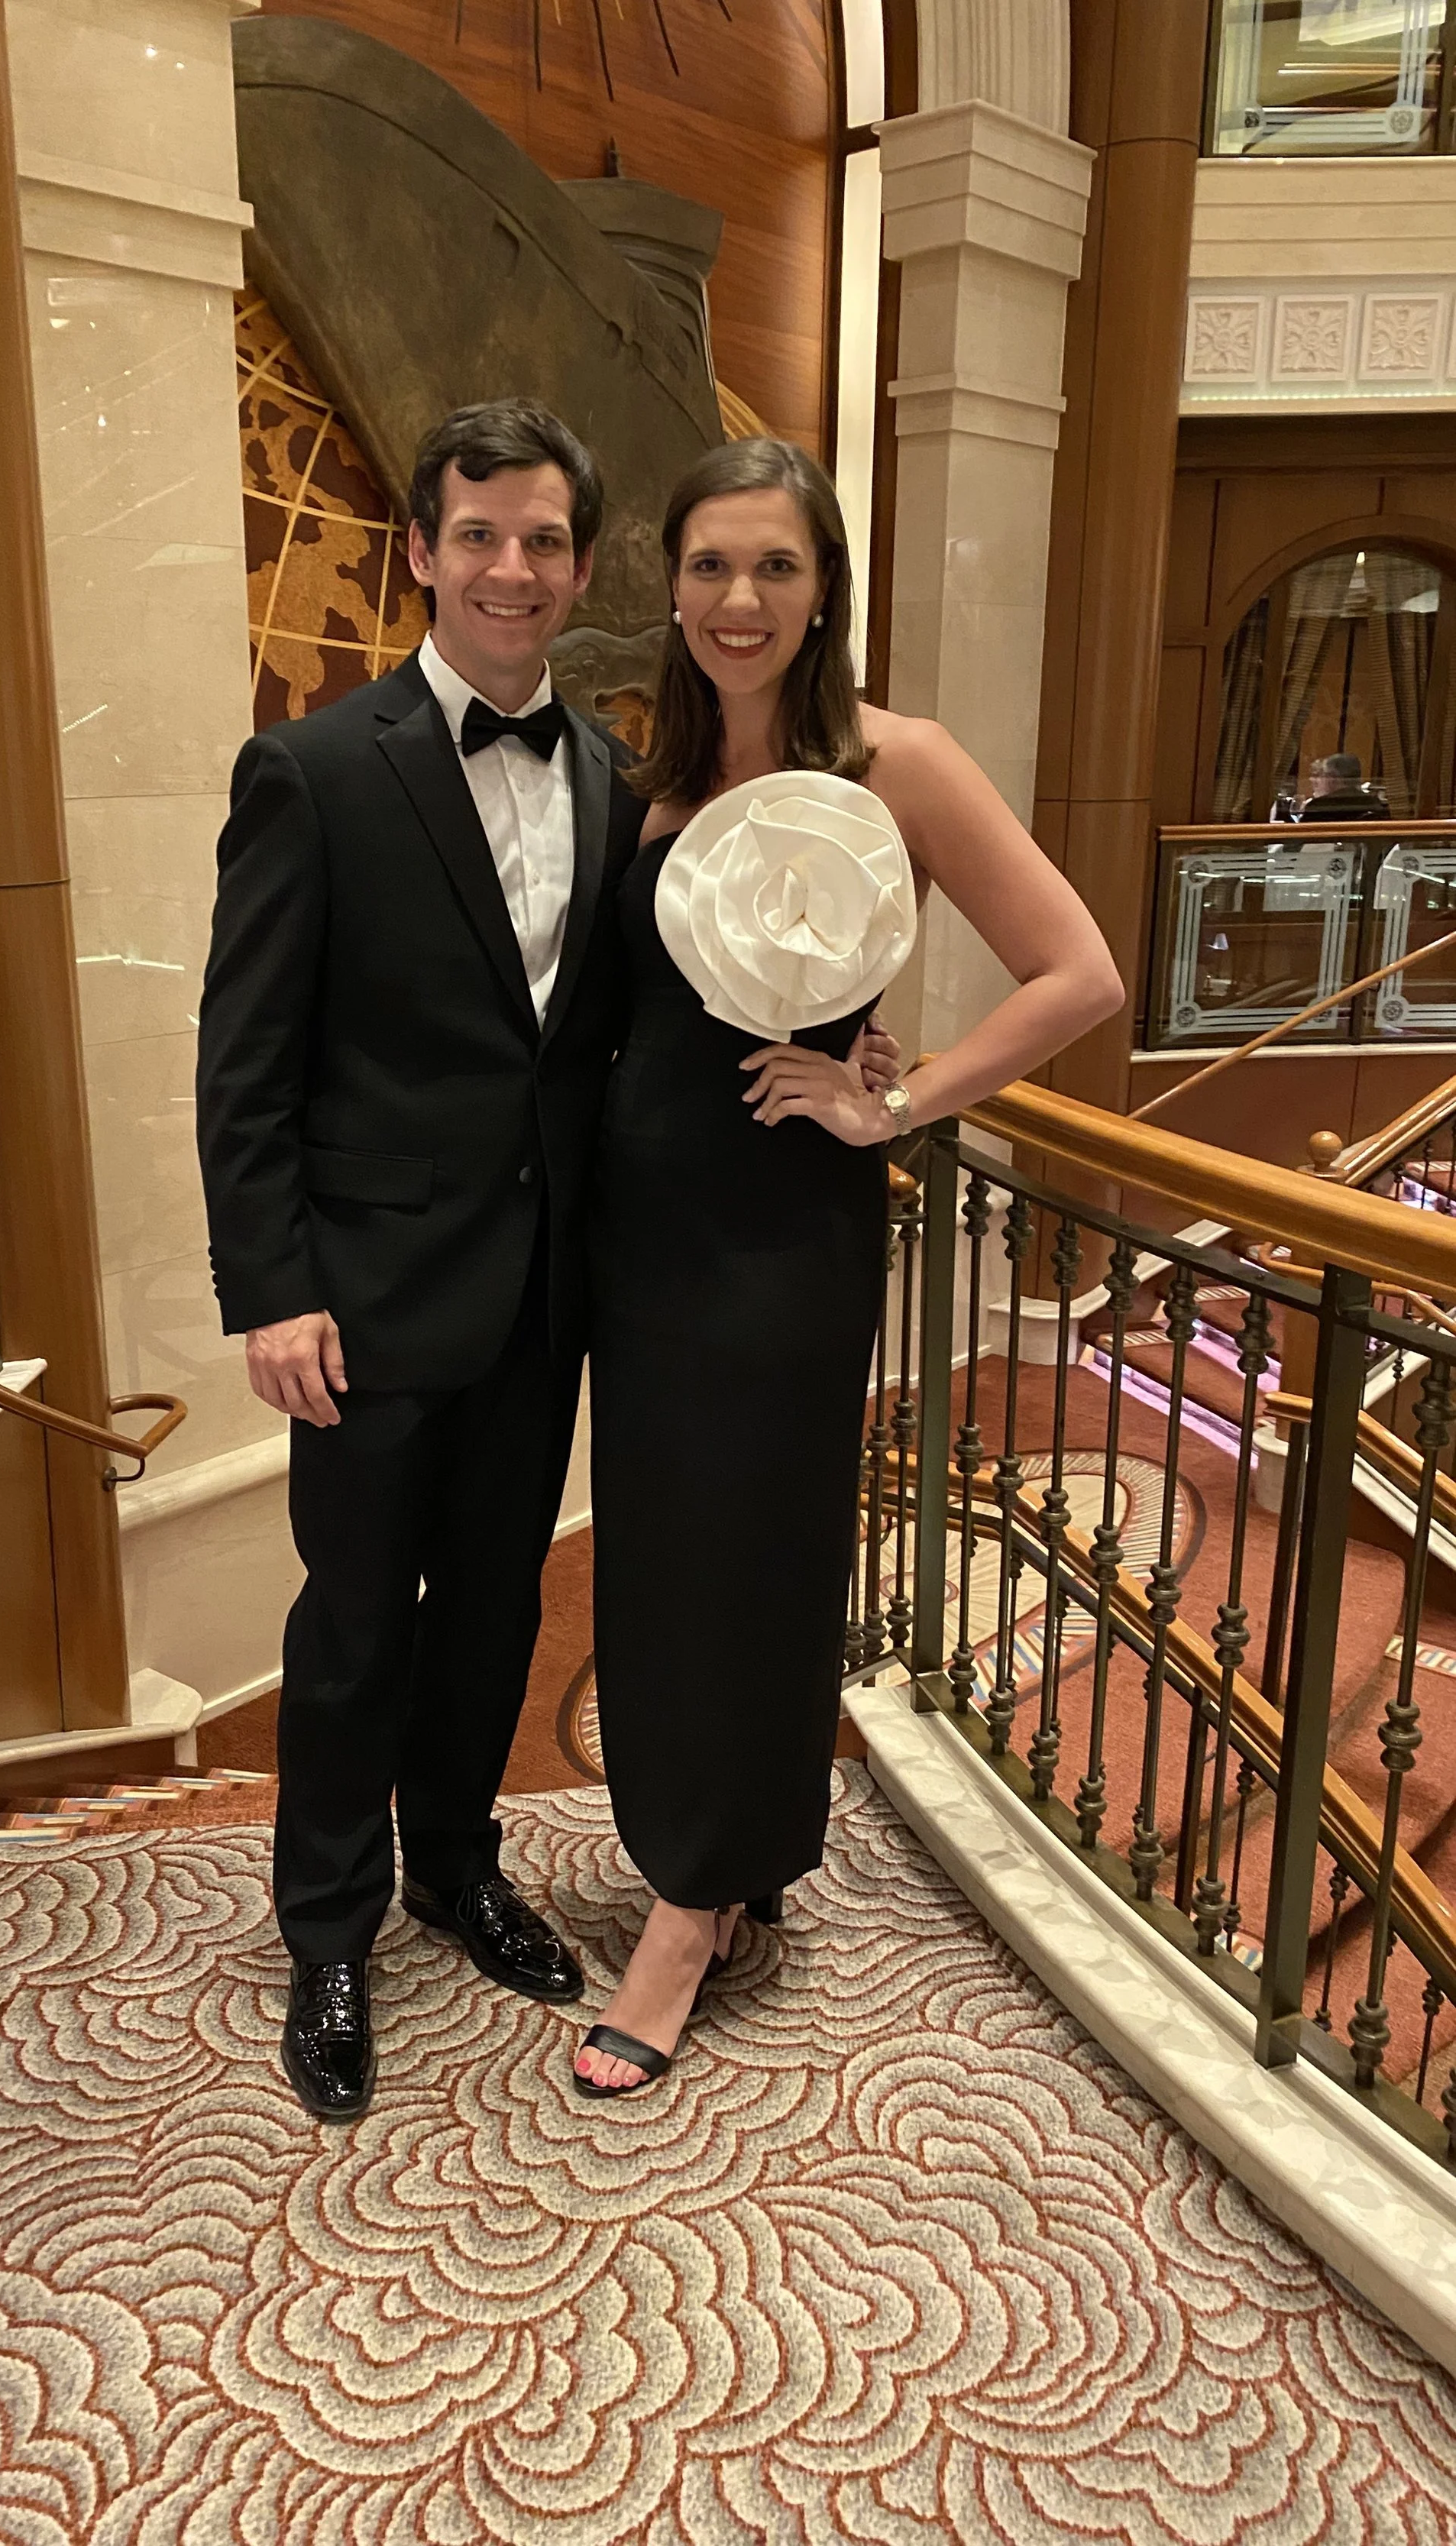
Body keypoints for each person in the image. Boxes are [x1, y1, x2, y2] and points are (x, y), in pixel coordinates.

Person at [572, 438, 1124, 2099]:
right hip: (640, 1232)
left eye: (775, 568)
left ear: (825, 594)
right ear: (670, 589)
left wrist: (891, 1099)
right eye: (711, 567)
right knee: (660, 1553)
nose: (739, 600)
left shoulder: (899, 757)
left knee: (753, 1546)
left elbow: (1077, 969)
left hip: (776, 1236)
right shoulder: (643, 773)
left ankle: (688, 1913)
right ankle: (708, 1859)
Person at [195, 400, 648, 2123]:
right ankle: (327, 1925)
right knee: (353, 1623)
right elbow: (243, 1055)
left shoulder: (610, 774)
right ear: (421, 552)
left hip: (540, 1299)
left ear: (580, 566)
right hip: (368, 1297)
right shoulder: (313, 768)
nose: (510, 568)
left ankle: (458, 1865)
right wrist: (270, 1286)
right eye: (478, 535)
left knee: (497, 1609)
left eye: (541, 540)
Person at [1299, 752, 1389, 821]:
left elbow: (1298, 843)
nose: (1316, 780)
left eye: (1322, 775)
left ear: (1334, 778)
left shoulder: (1318, 806)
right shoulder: (1373, 802)